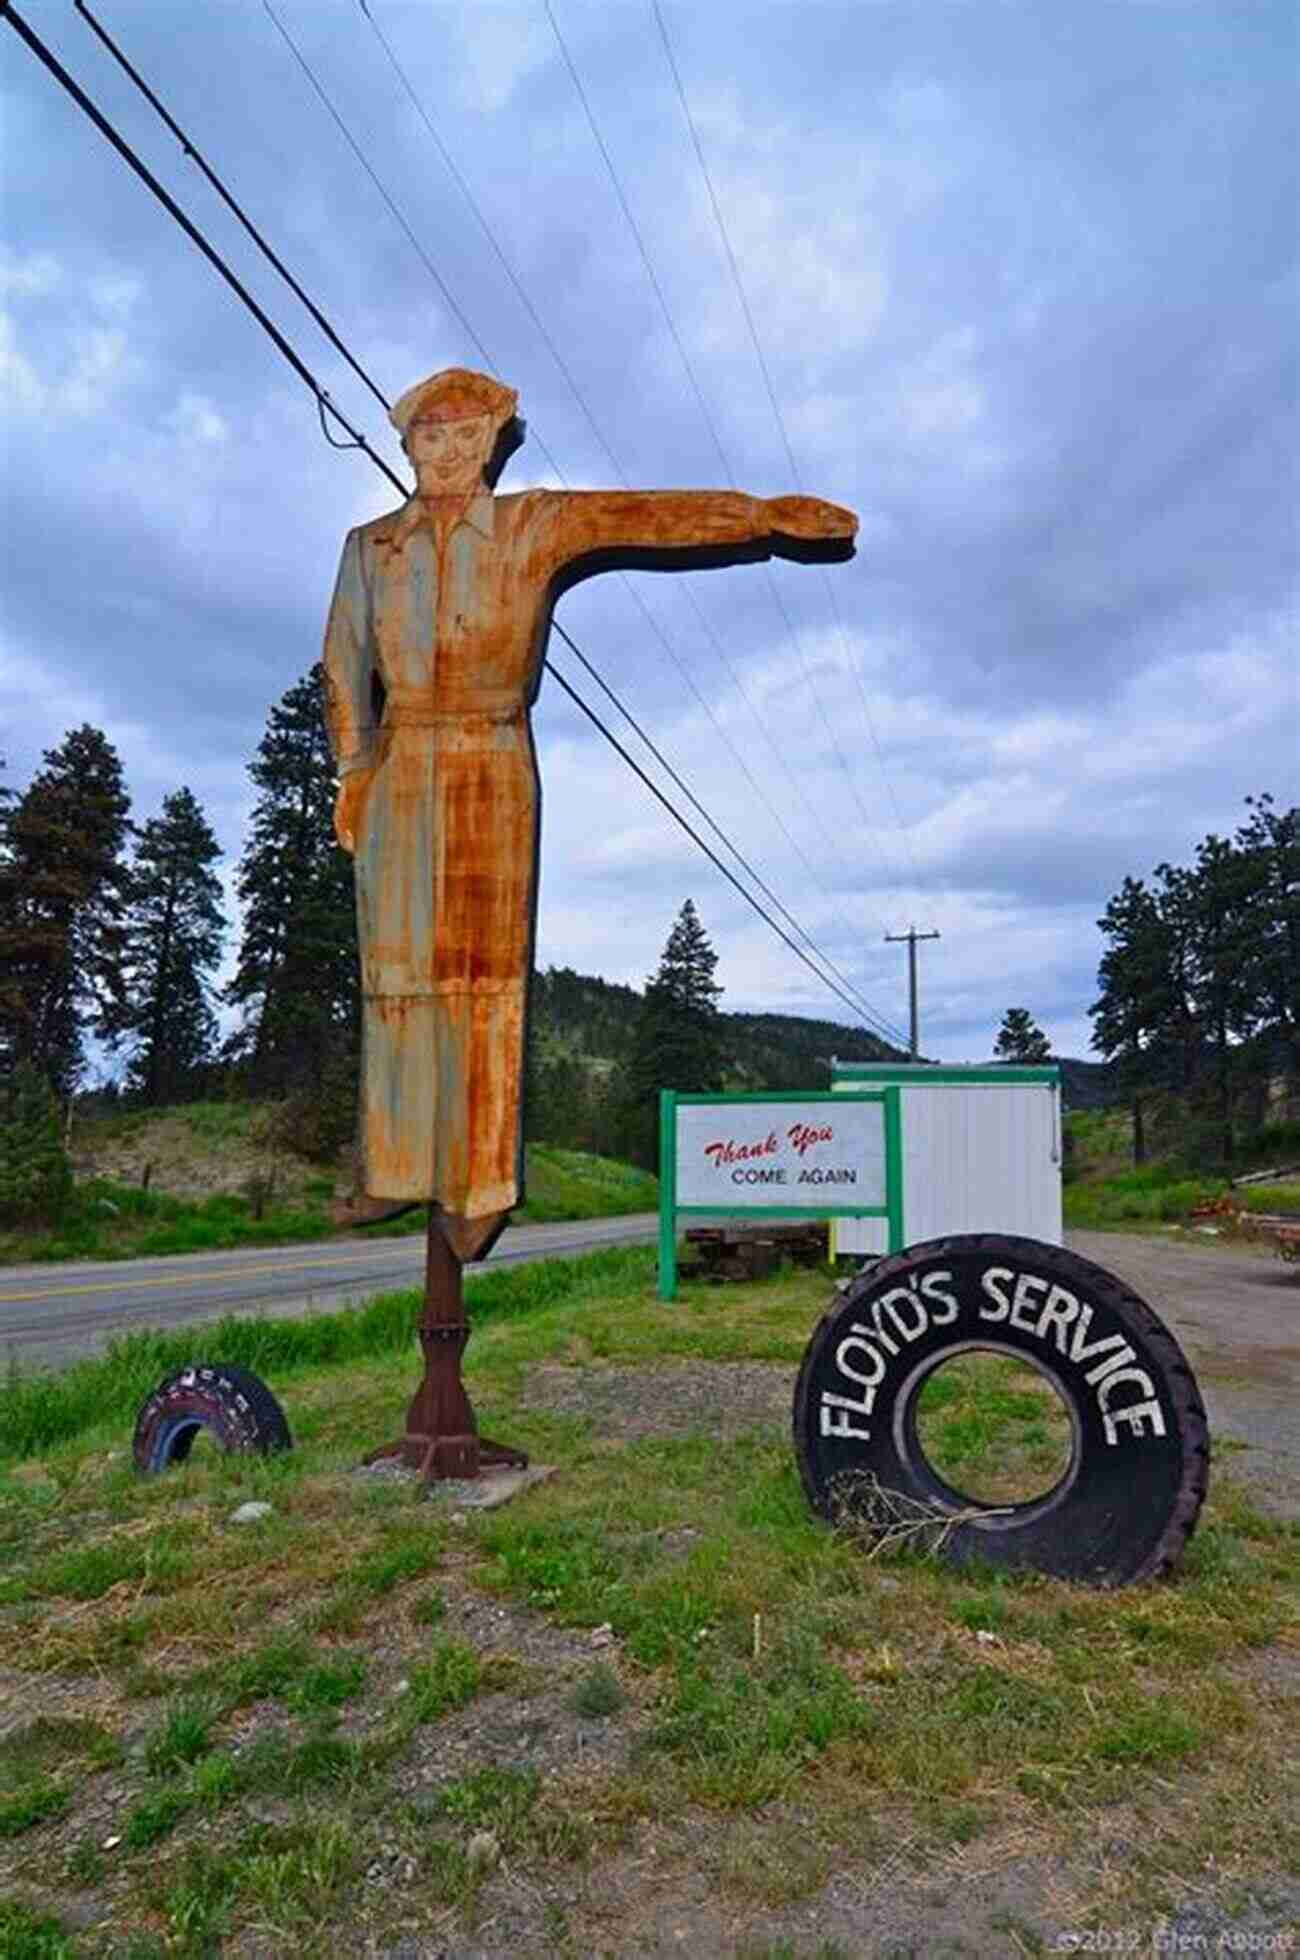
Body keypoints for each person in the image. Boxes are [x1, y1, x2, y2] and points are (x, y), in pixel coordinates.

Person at [323, 367, 857, 1261]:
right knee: (396, 971)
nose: (447, 452)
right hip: (401, 757)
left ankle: (481, 1185)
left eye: (465, 435)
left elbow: (647, 514)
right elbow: (342, 663)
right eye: (429, 436)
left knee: (485, 978)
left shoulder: (536, 523)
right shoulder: (370, 546)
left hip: (492, 751)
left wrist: (763, 516)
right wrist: (354, 765)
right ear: (407, 445)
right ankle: (396, 1162)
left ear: (494, 441)